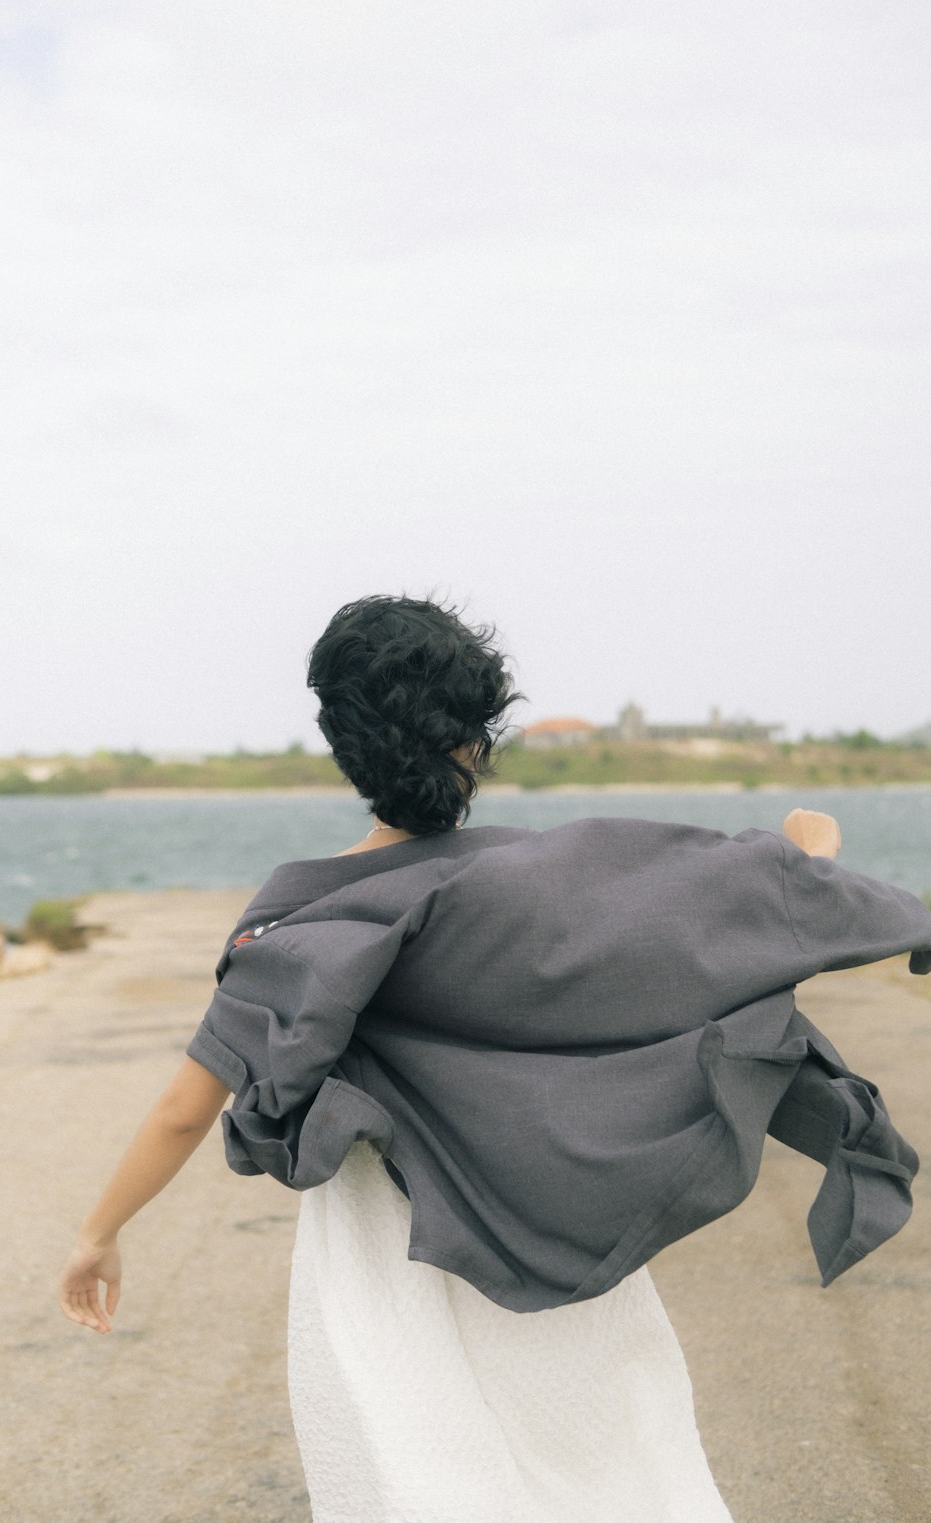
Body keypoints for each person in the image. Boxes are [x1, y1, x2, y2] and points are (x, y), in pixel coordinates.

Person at [59, 595, 931, 1523]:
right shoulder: (556, 875)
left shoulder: (297, 922)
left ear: (343, 741)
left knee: (415, 1458)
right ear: (474, 742)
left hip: (386, 1250)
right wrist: (813, 857)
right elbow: (734, 903)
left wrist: (98, 1233)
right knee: (607, 1447)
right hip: (552, 1213)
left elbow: (185, 1108)